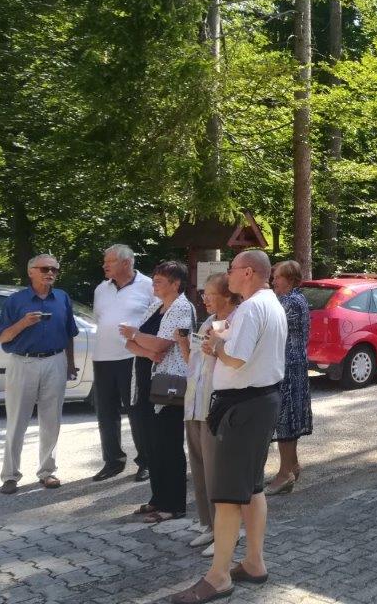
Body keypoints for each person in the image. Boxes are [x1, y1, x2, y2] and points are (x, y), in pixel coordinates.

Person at [171, 249, 285, 604]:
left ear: (248, 272)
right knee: (252, 488)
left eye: (233, 269)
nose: (229, 274)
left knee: (226, 497)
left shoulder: (250, 308)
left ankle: (218, 577)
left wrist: (215, 347)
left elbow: (236, 357)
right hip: (261, 402)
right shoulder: (271, 303)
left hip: (243, 407)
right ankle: (253, 562)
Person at [0, 254, 79, 495]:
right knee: (17, 421)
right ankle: (10, 475)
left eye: (54, 269)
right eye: (44, 269)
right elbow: (2, 337)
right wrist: (23, 323)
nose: (50, 273)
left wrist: (70, 364)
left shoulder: (62, 297)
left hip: (55, 361)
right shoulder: (15, 301)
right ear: (31, 271)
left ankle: (47, 471)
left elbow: (69, 334)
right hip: (23, 362)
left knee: (52, 420)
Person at [121, 261, 195, 523]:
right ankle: (158, 498)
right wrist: (145, 347)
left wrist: (136, 336)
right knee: (152, 444)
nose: (154, 283)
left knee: (169, 444)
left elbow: (161, 345)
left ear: (176, 284)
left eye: (160, 280)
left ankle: (173, 504)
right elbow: (131, 345)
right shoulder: (156, 306)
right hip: (146, 382)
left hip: (169, 386)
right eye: (154, 279)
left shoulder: (181, 307)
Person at [177, 273, 240, 551]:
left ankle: (227, 532)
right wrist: (183, 345)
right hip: (194, 404)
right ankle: (209, 525)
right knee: (200, 469)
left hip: (215, 406)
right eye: (203, 294)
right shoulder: (207, 321)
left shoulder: (237, 321)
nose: (204, 299)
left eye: (210, 294)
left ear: (227, 295)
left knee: (218, 472)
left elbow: (236, 362)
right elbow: (194, 362)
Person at [92, 244, 156, 482]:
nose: (104, 265)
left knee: (137, 410)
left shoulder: (148, 285)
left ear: (126, 263)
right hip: (102, 358)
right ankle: (113, 461)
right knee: (105, 412)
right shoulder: (101, 288)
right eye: (105, 261)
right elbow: (100, 319)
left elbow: (157, 319)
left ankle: (146, 461)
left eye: (110, 261)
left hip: (132, 357)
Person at [266, 260, 312, 495]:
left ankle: (285, 474)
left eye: (278, 277)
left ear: (291, 279)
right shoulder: (294, 298)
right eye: (273, 276)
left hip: (288, 367)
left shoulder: (290, 302)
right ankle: (292, 466)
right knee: (289, 417)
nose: (273, 281)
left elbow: (267, 325)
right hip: (292, 364)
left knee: (286, 418)